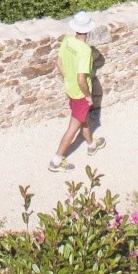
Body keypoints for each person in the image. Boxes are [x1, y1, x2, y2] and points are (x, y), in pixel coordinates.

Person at [48, 11, 105, 171]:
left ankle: (91, 145)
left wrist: (67, 78)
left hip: (69, 88)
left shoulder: (67, 40)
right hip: (80, 93)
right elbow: (81, 78)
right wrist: (88, 96)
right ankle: (56, 161)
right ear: (88, 30)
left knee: (83, 119)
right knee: (73, 127)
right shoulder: (85, 50)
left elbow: (58, 62)